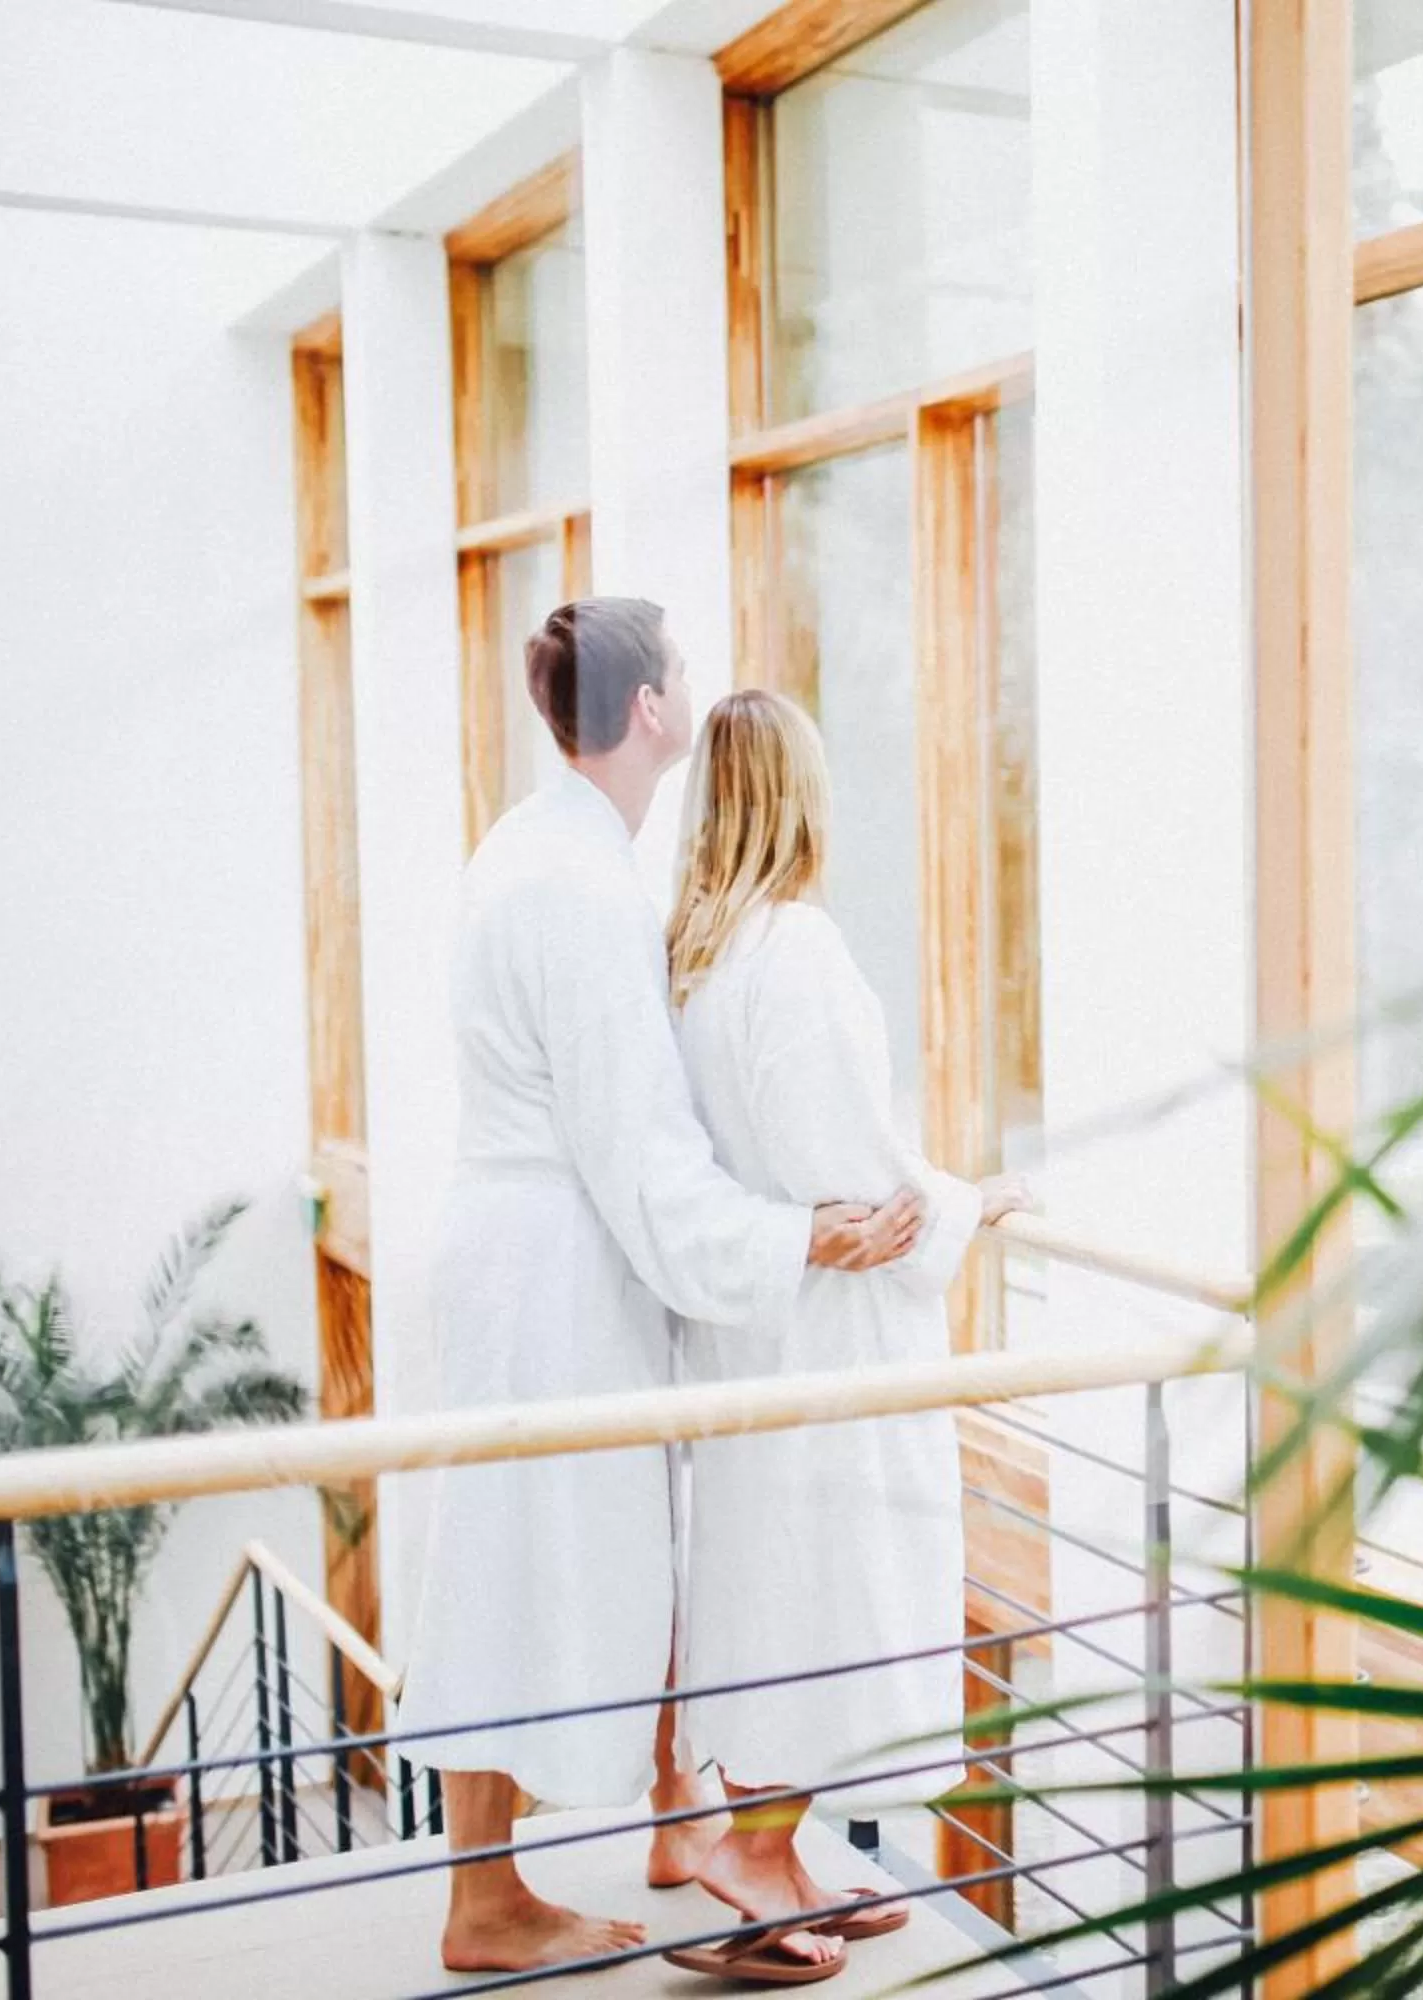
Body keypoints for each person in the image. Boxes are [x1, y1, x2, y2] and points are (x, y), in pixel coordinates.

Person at [394, 600, 932, 1977]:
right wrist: (797, 1238)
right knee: (517, 1563)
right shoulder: (576, 890)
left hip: (543, 1250)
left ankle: (681, 1819)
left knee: (631, 1543)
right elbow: (640, 1149)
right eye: (681, 667)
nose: (694, 685)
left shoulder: (556, 853)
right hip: (548, 1266)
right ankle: (488, 1898)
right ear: (647, 709)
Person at [659, 690, 1029, 1983]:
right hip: (827, 1337)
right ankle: (752, 1857)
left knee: (776, 1575)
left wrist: (929, 1195)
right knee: (830, 1581)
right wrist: (969, 1203)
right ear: (805, 797)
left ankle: (784, 1847)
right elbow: (856, 1187)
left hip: (756, 1328)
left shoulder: (698, 957)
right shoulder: (793, 949)